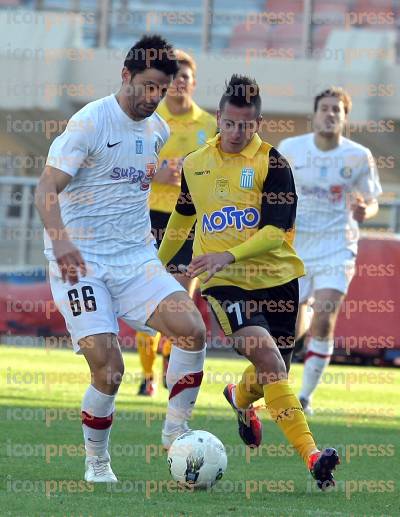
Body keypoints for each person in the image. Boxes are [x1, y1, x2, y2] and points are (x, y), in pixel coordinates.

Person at [35, 35, 207, 483]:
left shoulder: (158, 131)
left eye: (162, 90)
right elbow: (45, 189)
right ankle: (97, 462)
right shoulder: (90, 122)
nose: (153, 98)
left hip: (134, 260)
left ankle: (175, 433)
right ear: (126, 75)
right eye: (147, 86)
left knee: (192, 331)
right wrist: (63, 243)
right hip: (80, 262)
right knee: (110, 370)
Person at [158, 75, 340, 490]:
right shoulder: (195, 163)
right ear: (219, 118)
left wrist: (228, 251)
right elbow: (182, 220)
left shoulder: (274, 164)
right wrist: (155, 265)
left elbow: (277, 232)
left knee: (271, 373)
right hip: (225, 284)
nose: (237, 133)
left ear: (258, 124)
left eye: (246, 125)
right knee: (273, 366)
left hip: (278, 281)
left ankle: (240, 398)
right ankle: (314, 458)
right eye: (230, 123)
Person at [278, 87, 382, 415]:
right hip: (296, 247)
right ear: (314, 114)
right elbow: (273, 192)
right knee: (289, 326)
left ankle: (305, 397)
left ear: (345, 118)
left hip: (337, 247)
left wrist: (368, 210)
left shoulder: (358, 156)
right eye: (325, 108)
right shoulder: (290, 149)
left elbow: (373, 199)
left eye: (337, 109)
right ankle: (280, 381)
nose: (330, 114)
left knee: (325, 317)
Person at [136, 49, 217, 396]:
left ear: (194, 83)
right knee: (146, 298)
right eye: (175, 77)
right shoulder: (150, 119)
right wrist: (159, 172)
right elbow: (130, 165)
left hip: (188, 221)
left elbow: (218, 171)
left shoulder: (209, 125)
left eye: (186, 76)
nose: (180, 82)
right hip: (149, 217)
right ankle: (146, 375)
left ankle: (173, 370)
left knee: (180, 301)